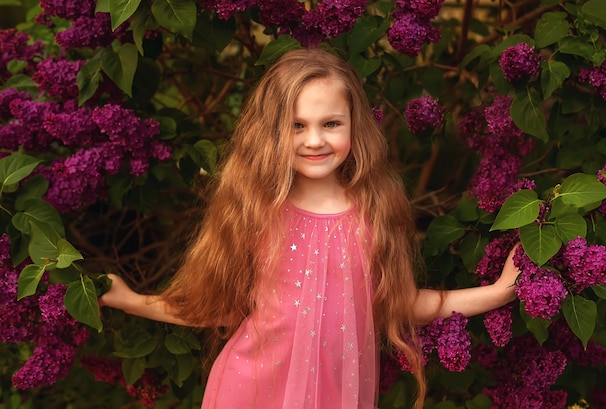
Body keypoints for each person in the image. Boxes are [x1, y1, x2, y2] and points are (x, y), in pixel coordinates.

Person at [100, 48, 520, 409]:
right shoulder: (256, 210)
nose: (314, 140)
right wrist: (131, 301)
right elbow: (216, 306)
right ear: (272, 131)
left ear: (355, 124)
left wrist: (496, 293)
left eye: (330, 124)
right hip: (249, 393)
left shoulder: (375, 212)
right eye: (297, 125)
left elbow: (400, 303)